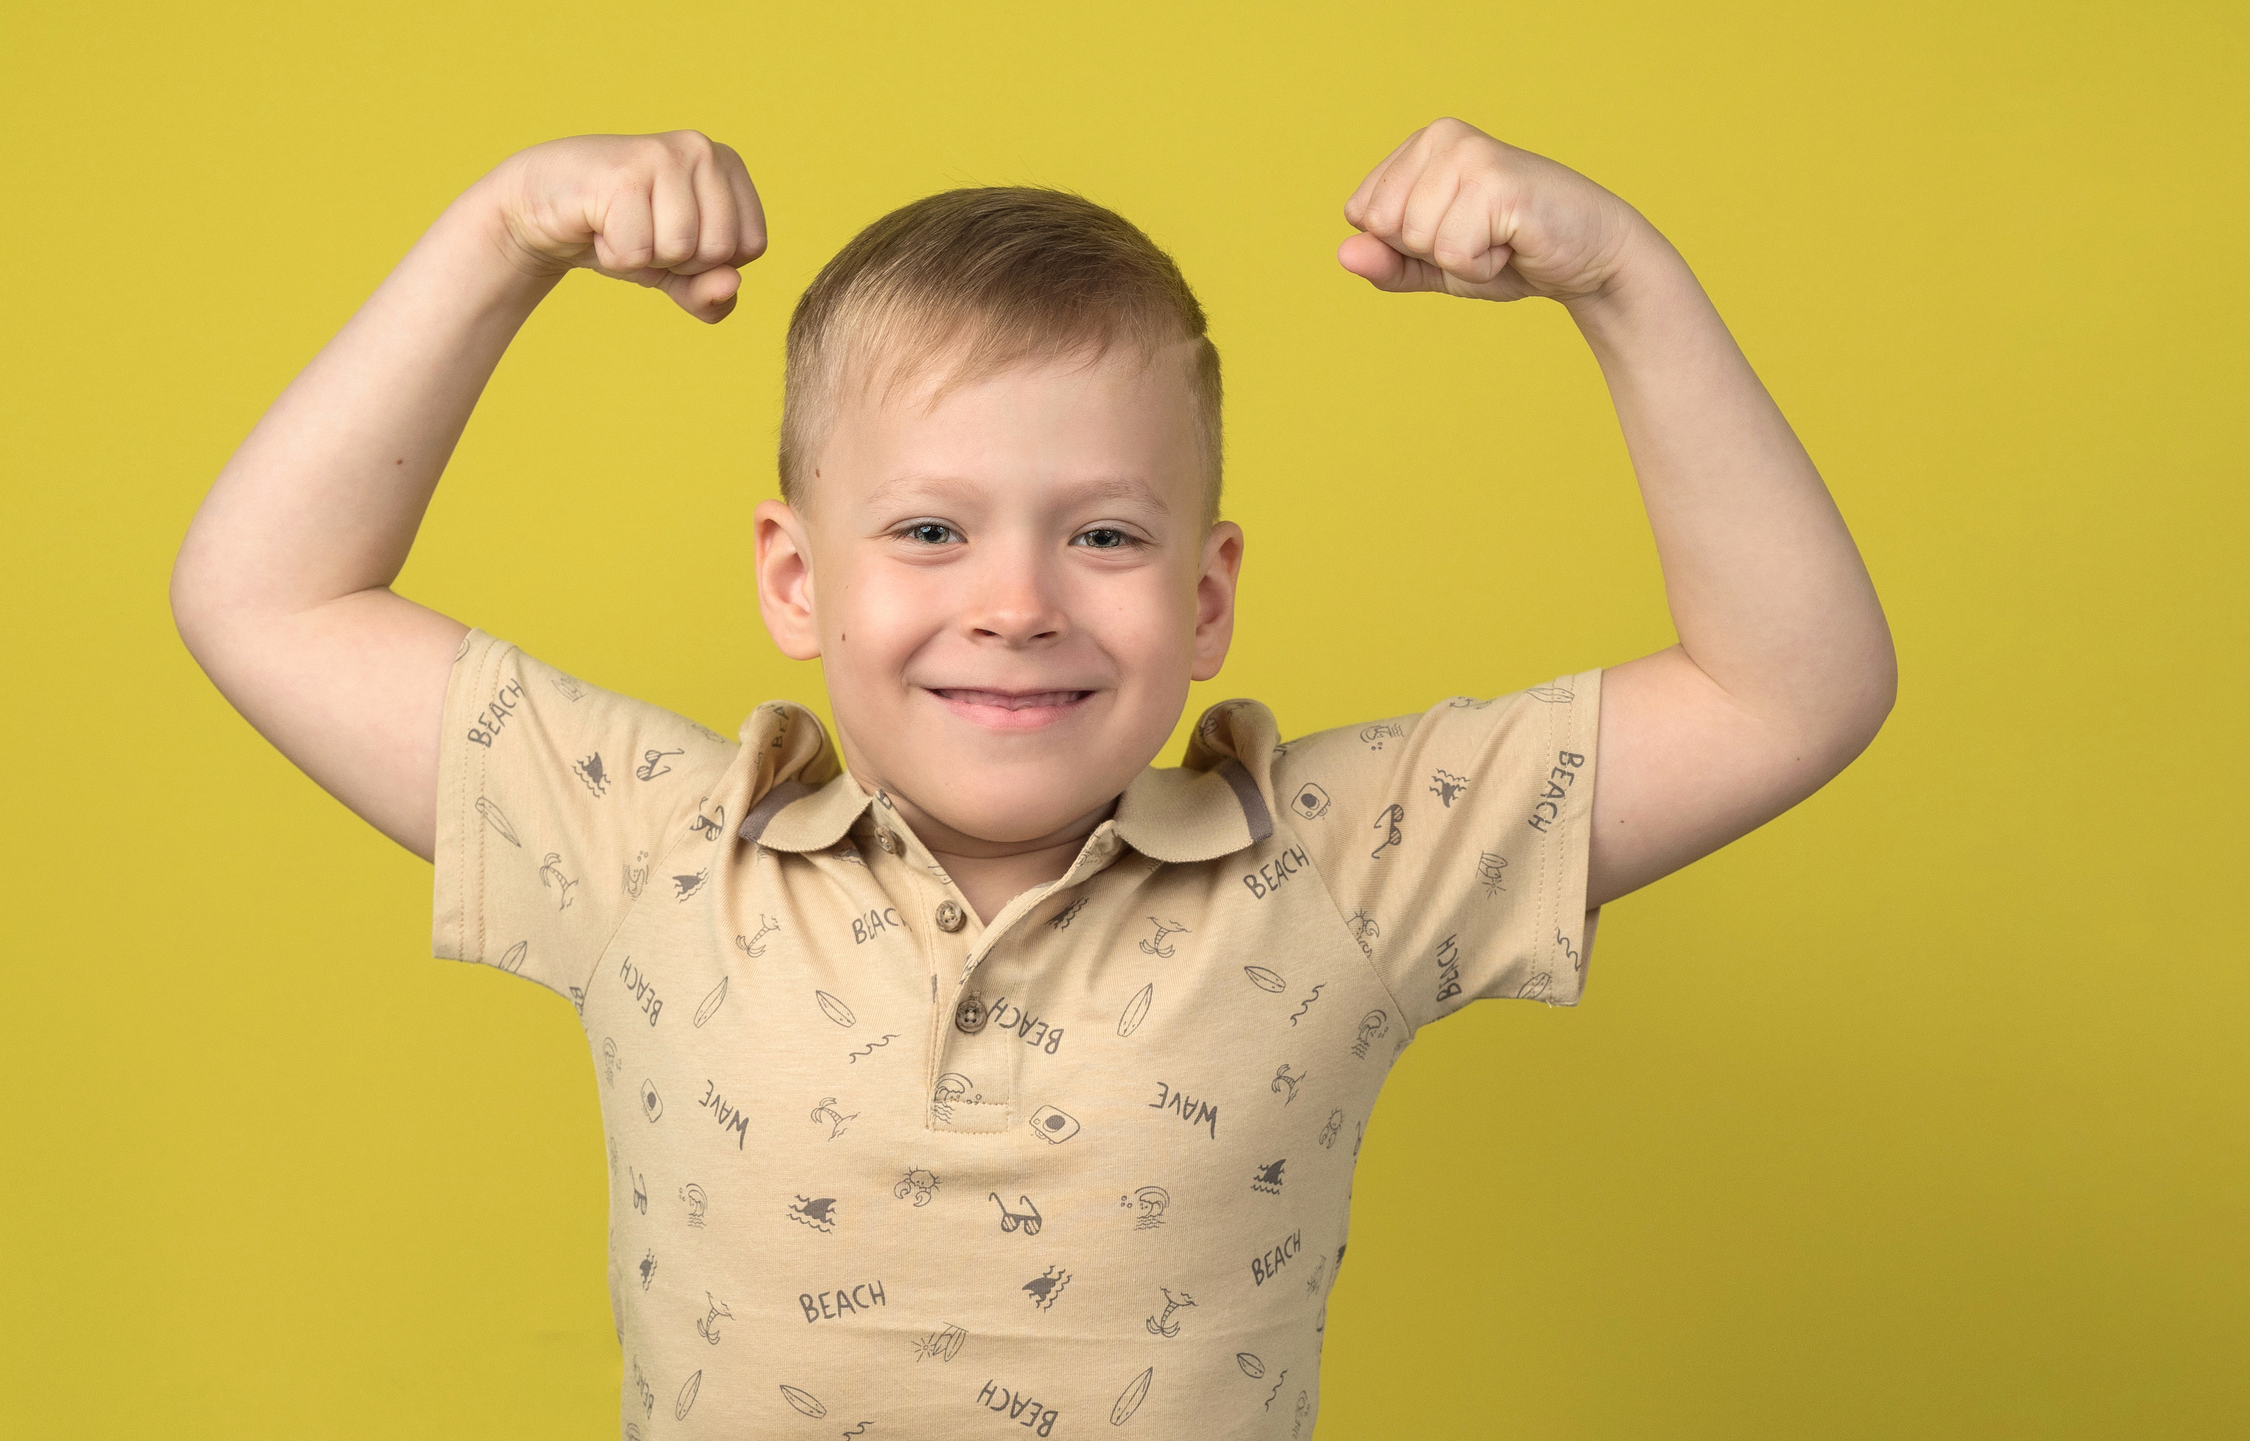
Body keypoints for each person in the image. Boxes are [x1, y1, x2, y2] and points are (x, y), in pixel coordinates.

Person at [170, 121, 1894, 1437]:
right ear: (795, 579)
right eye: (928, 529)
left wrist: (1625, 283)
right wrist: (504, 233)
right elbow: (267, 594)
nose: (1016, 602)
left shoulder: (1343, 862)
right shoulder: (662, 844)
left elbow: (1787, 691)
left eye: (1105, 535)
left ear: (1205, 595)